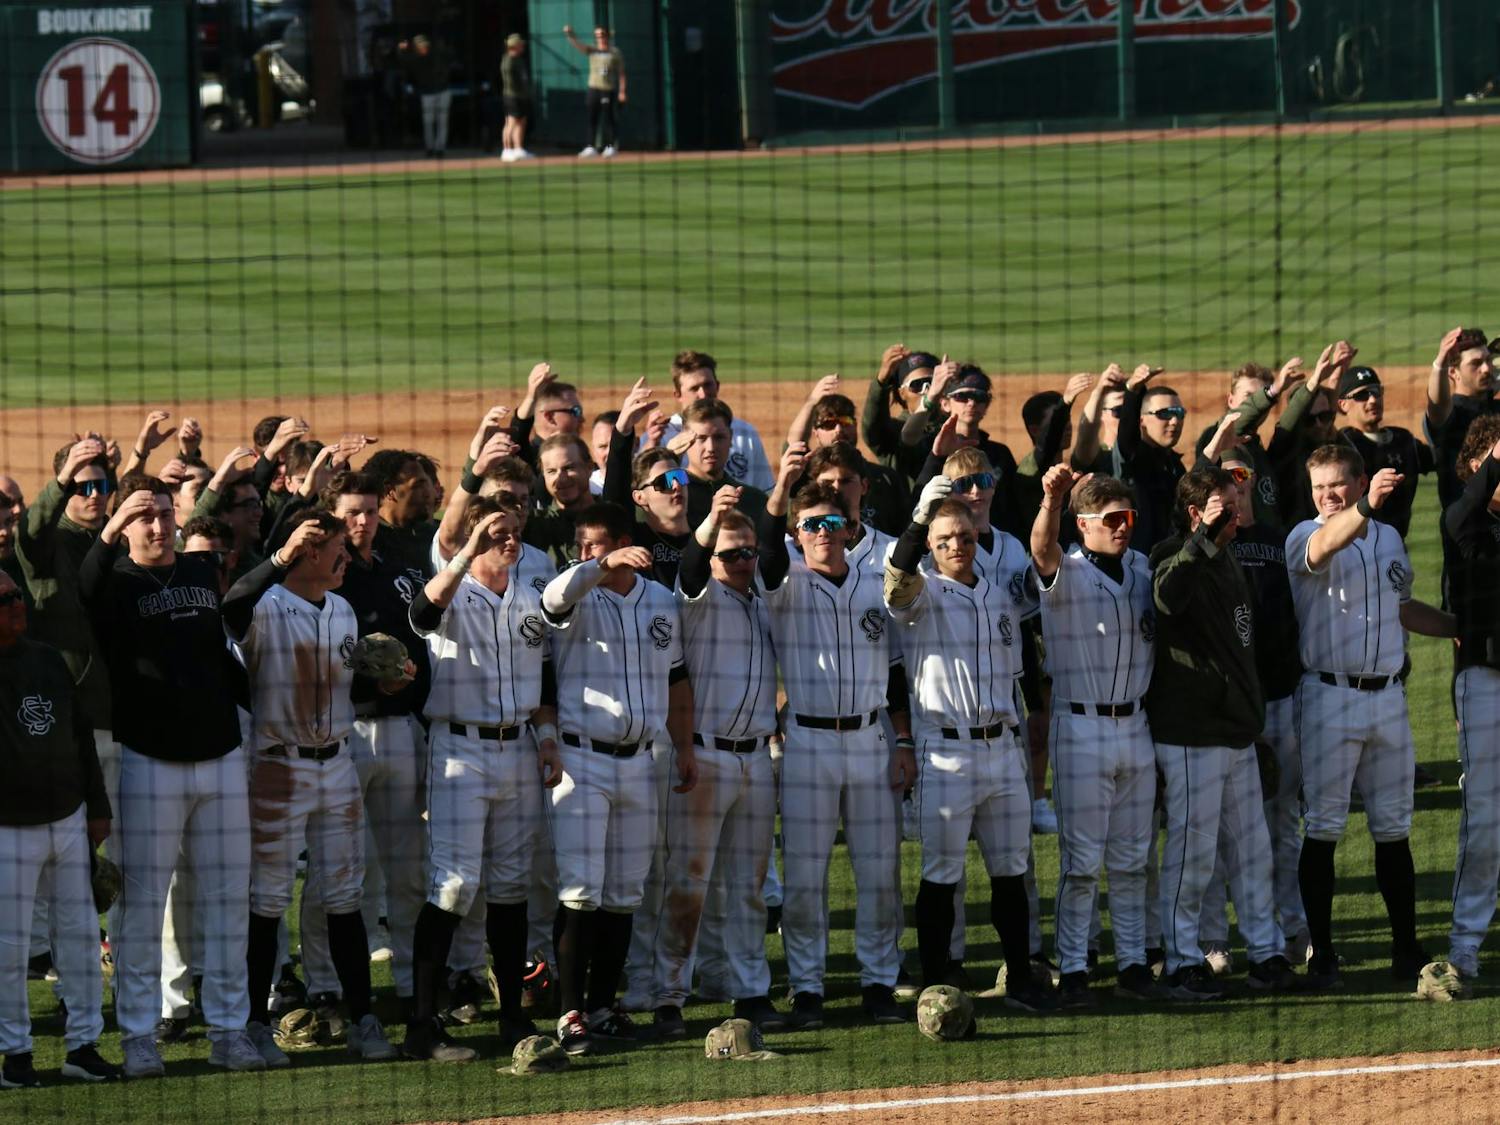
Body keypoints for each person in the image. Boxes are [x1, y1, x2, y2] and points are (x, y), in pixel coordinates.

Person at [77, 478, 258, 1075]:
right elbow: (82, 586)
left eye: (162, 514)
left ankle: (231, 1032)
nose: (157, 526)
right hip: (150, 763)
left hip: (222, 757)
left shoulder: (203, 570)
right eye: (142, 517)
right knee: (141, 906)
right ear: (123, 527)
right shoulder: (115, 585)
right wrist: (106, 532)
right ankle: (136, 1038)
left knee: (230, 900)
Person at [224, 511, 400, 1065]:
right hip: (278, 767)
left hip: (338, 766)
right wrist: (277, 557)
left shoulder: (343, 610)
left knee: (345, 896)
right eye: (337, 550)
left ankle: (363, 1020)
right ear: (306, 553)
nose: (347, 558)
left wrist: (387, 679)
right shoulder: (267, 608)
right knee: (269, 899)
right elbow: (229, 608)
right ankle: (253, 1023)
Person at [1286, 446, 1455, 990]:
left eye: (1337, 484)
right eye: (1319, 487)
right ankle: (1324, 955)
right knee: (1325, 828)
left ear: (1357, 481)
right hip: (1329, 699)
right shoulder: (1303, 536)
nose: (1327, 495)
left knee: (1394, 829)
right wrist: (1363, 508)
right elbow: (1326, 544)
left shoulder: (1389, 538)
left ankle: (1405, 950)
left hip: (1388, 699)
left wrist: (1460, 624)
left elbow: (1402, 606)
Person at [759, 449, 915, 1029]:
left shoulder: (878, 584)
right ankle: (808, 990)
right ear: (797, 534)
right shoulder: (782, 585)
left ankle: (878, 982)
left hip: (872, 739)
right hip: (807, 743)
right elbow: (770, 551)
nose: (823, 533)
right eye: (811, 525)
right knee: (805, 875)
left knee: (880, 872)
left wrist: (903, 742)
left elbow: (897, 669)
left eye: (832, 523)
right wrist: (783, 487)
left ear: (850, 529)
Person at [403, 499, 562, 1060]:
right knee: (453, 884)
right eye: (498, 533)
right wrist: (467, 549)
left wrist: (547, 740)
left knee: (513, 885)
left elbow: (544, 682)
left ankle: (513, 1020)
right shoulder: (454, 589)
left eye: (515, 531)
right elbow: (422, 616)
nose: (510, 540)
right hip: (460, 751)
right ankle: (421, 1027)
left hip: (518, 749)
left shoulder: (530, 600)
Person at [886, 479, 1053, 1013]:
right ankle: (939, 982)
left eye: (962, 535)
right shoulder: (922, 596)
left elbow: (1020, 676)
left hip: (1003, 748)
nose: (955, 544)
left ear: (976, 537)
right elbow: (896, 579)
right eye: (943, 539)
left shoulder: (1000, 596)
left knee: (1012, 870)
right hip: (947, 752)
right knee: (941, 873)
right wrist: (918, 520)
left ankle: (1021, 976)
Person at [540, 502, 697, 1055]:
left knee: (625, 893)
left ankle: (604, 1006)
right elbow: (553, 599)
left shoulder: (660, 600)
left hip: (642, 761)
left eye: (599, 543)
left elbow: (676, 677)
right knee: (581, 891)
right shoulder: (576, 595)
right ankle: (568, 1011)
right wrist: (597, 565)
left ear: (632, 545)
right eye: (582, 547)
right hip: (582, 763)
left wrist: (683, 746)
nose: (589, 554)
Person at [1146, 468, 1296, 1001]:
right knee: (1193, 854)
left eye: (1237, 505)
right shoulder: (1168, 554)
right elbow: (1166, 599)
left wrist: (1253, 726)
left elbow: (1242, 648)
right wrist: (1202, 540)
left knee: (1254, 851)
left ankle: (1267, 953)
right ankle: (1184, 960)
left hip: (1235, 732)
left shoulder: (1233, 558)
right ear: (1197, 513)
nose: (1239, 515)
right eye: (1226, 508)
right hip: (1191, 733)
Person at [295, 472, 430, 1030]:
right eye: (352, 512)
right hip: (345, 737)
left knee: (408, 870)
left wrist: (407, 679)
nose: (363, 521)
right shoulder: (317, 582)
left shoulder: (397, 572)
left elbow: (422, 644)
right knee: (334, 870)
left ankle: (409, 982)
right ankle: (324, 986)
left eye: (371, 511)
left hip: (401, 734)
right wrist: (375, 685)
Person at [650, 488, 782, 1036]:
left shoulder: (764, 600)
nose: (744, 562)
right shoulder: (695, 600)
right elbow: (686, 567)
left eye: (749, 552)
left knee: (749, 887)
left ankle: (750, 992)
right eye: (731, 554)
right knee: (689, 885)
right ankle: (667, 998)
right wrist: (708, 526)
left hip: (757, 760)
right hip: (704, 758)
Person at [1029, 468, 1158, 1007]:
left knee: (1132, 859)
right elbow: (1042, 548)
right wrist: (1051, 500)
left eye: (1127, 517)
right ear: (1084, 525)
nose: (1122, 527)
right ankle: (1076, 966)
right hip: (1080, 726)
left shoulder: (1143, 569)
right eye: (1110, 520)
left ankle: (1132, 963)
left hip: (1137, 727)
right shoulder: (1069, 572)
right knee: (1081, 862)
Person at [0, 569, 118, 1087]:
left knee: (78, 938)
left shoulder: (46, 659)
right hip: (7, 830)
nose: (16, 603)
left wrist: (97, 806)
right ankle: (16, 1056)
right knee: (7, 949)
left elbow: (80, 738)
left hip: (68, 818)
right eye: (4, 599)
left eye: (16, 595)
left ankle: (84, 1046)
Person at [1442, 416, 1500, 982]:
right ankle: (1464, 946)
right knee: (1484, 819)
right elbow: (1463, 514)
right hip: (1484, 683)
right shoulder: (1464, 523)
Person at [898, 362, 1023, 534]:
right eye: (962, 396)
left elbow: (1012, 509)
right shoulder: (929, 447)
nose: (971, 403)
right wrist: (931, 396)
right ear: (945, 403)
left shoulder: (1000, 453)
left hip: (994, 543)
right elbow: (907, 437)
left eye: (979, 397)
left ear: (986, 405)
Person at [605, 379, 692, 587]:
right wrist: (623, 432)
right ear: (639, 497)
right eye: (663, 482)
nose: (676, 486)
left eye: (679, 477)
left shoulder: (704, 536)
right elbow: (614, 500)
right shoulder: (635, 539)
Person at [1333, 365, 1434, 539]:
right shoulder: (1342, 446)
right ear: (1343, 404)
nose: (1372, 400)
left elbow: (1446, 458)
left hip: (1396, 547)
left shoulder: (1404, 440)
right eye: (1361, 395)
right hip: (1355, 547)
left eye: (1376, 391)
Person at [651, 351, 774, 492]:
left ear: (717, 386)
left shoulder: (746, 432)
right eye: (694, 388)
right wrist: (669, 456)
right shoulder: (662, 435)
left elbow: (764, 490)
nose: (703, 394)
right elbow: (652, 490)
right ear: (678, 395)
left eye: (707, 385)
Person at [1112, 365, 1184, 554]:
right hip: (1141, 564)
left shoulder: (1175, 464)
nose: (1174, 421)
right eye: (1165, 414)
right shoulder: (1133, 458)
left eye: (1179, 413)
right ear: (1141, 420)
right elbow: (1127, 435)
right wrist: (1133, 392)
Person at [1426, 326, 1498, 507]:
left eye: (1488, 360)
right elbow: (1437, 405)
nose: (1486, 369)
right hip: (1467, 526)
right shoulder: (1451, 416)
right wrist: (1440, 363)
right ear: (1453, 372)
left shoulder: (1496, 406)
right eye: (1476, 364)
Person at [862, 344, 940, 485]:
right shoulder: (893, 433)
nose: (926, 391)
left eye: (932, 383)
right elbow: (873, 427)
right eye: (917, 384)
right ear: (901, 393)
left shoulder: (953, 425)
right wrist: (882, 381)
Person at [564, 24, 625, 157]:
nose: (600, 37)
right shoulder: (592, 50)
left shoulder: (614, 52)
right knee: (592, 118)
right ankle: (590, 147)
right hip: (593, 88)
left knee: (609, 119)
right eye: (597, 35)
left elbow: (621, 73)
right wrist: (570, 35)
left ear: (607, 36)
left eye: (602, 34)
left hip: (608, 89)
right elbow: (578, 45)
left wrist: (622, 91)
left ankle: (610, 147)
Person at [402, 34, 452, 157]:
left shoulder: (436, 56)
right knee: (428, 122)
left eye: (423, 44)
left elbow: (446, 61)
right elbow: (404, 62)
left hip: (442, 91)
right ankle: (430, 148)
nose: (421, 47)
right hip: (427, 94)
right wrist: (402, 50)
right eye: (419, 45)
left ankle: (440, 149)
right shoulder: (415, 59)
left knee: (442, 122)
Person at [499, 33, 534, 162]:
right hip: (512, 97)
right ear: (514, 46)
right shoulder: (508, 61)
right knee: (511, 122)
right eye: (520, 44)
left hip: (522, 97)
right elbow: (513, 82)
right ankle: (506, 150)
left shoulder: (519, 59)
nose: (522, 46)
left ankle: (518, 149)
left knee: (521, 121)